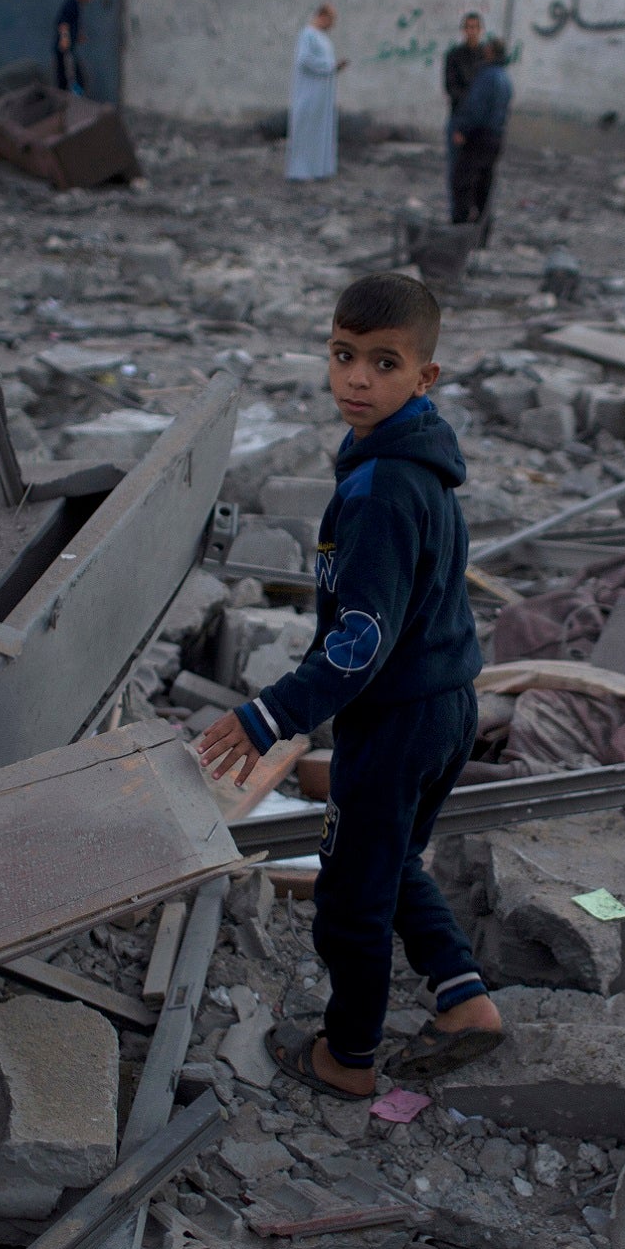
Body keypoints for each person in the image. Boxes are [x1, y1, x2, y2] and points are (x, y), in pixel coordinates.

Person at [198, 272, 502, 1101]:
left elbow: (357, 644)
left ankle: (349, 1057)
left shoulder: (380, 491)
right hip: (446, 706)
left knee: (350, 894)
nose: (357, 379)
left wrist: (270, 717)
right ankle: (462, 997)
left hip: (396, 720)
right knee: (395, 859)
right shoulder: (419, 463)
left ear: (424, 378)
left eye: (384, 363)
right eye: (343, 356)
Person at [449, 35, 510, 226]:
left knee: (464, 181)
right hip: (495, 137)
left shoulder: (486, 76)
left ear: (491, 52)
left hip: (478, 136)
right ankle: (481, 231)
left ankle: (461, 228)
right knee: (484, 183)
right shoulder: (505, 78)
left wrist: (463, 130)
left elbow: (476, 108)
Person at [286, 1, 345, 183]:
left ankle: (318, 169)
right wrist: (329, 66)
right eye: (330, 20)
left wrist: (334, 68)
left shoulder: (321, 37)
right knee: (306, 129)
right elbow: (304, 60)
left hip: (322, 94)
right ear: (322, 16)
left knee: (320, 130)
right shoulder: (307, 35)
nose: (332, 25)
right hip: (309, 93)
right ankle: (300, 171)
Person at [442, 10, 485, 178]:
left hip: (479, 120)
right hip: (459, 115)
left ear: (480, 30)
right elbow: (451, 87)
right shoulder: (454, 56)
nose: (471, 31)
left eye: (475, 27)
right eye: (468, 27)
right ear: (463, 30)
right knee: (456, 166)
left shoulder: (485, 56)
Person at [54, 0, 93, 93]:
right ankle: (72, 102)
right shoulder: (71, 3)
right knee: (71, 77)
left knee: (69, 77)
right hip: (65, 49)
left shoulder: (76, 5)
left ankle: (71, 100)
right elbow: (63, 22)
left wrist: (78, 35)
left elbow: (71, 23)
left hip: (69, 48)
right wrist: (65, 39)